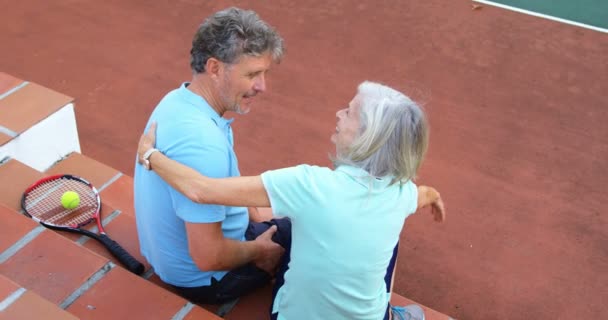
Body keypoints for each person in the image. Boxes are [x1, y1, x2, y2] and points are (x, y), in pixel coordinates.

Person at [137, 80, 446, 320]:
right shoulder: (400, 193)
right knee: (389, 242)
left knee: (297, 226)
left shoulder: (309, 184)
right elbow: (420, 195)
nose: (339, 114)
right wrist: (434, 197)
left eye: (349, 112)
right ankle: (389, 314)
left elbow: (200, 190)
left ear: (368, 137)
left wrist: (150, 155)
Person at [133, 7, 291, 305]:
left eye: (264, 73)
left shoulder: (179, 100)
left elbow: (226, 182)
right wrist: (261, 251)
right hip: (207, 280)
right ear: (215, 68)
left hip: (173, 260)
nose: (262, 86)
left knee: (291, 211)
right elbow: (208, 256)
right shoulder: (203, 144)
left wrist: (257, 215)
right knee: (320, 234)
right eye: (253, 74)